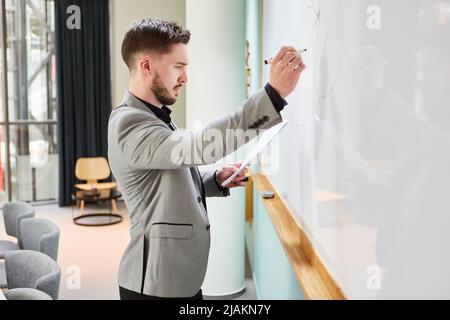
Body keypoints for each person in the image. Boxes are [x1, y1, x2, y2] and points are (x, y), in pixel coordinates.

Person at [108, 18, 306, 300]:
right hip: (154, 286)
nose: (185, 77)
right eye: (178, 66)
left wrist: (214, 179)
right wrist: (272, 97)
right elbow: (200, 146)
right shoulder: (129, 123)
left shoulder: (154, 116)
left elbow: (165, 180)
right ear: (146, 66)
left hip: (177, 278)